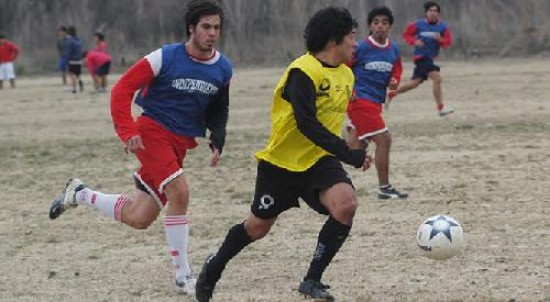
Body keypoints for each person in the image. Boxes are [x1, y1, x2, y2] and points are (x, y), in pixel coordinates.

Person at [48, 0, 231, 295]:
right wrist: (127, 131)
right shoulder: (164, 57)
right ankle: (184, 277)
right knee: (180, 192)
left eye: (216, 28)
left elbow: (219, 106)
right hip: (151, 134)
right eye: (206, 27)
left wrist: (217, 135)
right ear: (191, 29)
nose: (212, 33)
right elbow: (121, 90)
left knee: (140, 217)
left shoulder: (222, 67)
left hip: (179, 145)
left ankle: (79, 194)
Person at [195, 7, 371, 302]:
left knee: (346, 205)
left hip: (318, 160)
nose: (356, 43)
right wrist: (348, 153)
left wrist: (347, 147)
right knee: (257, 227)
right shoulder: (302, 71)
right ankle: (213, 267)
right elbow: (306, 123)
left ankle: (312, 280)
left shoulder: (347, 75)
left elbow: (331, 121)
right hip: (281, 164)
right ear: (333, 41)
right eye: (352, 37)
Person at [347, 7, 408, 200]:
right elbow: (343, 67)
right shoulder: (361, 48)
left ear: (390, 26)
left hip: (375, 103)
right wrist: (350, 90)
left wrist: (394, 82)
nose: (380, 26)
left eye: (384, 22)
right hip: (359, 100)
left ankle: (328, 160)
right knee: (384, 139)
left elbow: (397, 70)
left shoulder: (393, 48)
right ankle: (385, 188)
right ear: (370, 26)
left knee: (355, 151)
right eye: (376, 22)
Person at [389, 1, 454, 117]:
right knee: (437, 78)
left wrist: (440, 40)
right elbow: (406, 34)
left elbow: (448, 42)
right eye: (430, 11)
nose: (433, 13)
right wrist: (414, 41)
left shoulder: (442, 27)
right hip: (421, 57)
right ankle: (441, 108)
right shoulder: (418, 24)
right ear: (426, 12)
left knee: (414, 83)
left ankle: (392, 93)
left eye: (435, 11)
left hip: (429, 58)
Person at [63, 26, 84, 93]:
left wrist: (66, 60)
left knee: (72, 74)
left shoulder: (69, 42)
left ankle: (74, 89)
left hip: (72, 60)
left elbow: (68, 52)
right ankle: (80, 80)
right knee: (78, 74)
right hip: (79, 60)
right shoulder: (79, 40)